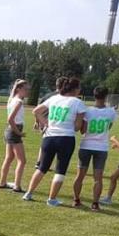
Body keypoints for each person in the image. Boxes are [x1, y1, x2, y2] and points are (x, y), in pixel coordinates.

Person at [22, 77, 86, 206]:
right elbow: (77, 127)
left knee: (42, 167)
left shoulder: (54, 98)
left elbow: (36, 111)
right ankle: (52, 199)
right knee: (60, 170)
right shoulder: (77, 102)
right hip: (66, 139)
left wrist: (46, 123)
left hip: (49, 137)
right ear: (74, 89)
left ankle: (28, 193)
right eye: (79, 88)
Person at [71, 86, 116, 211]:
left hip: (86, 145)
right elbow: (109, 127)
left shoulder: (87, 111)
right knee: (98, 178)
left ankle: (76, 200)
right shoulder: (111, 112)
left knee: (80, 175)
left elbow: (82, 130)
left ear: (94, 95)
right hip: (101, 147)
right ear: (106, 96)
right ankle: (95, 203)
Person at [0, 79, 28, 192]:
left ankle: (2, 182)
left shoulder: (12, 99)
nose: (27, 91)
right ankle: (17, 186)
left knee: (9, 158)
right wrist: (18, 133)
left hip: (9, 131)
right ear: (18, 89)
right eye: (25, 89)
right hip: (14, 131)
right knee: (22, 160)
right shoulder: (18, 102)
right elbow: (10, 119)